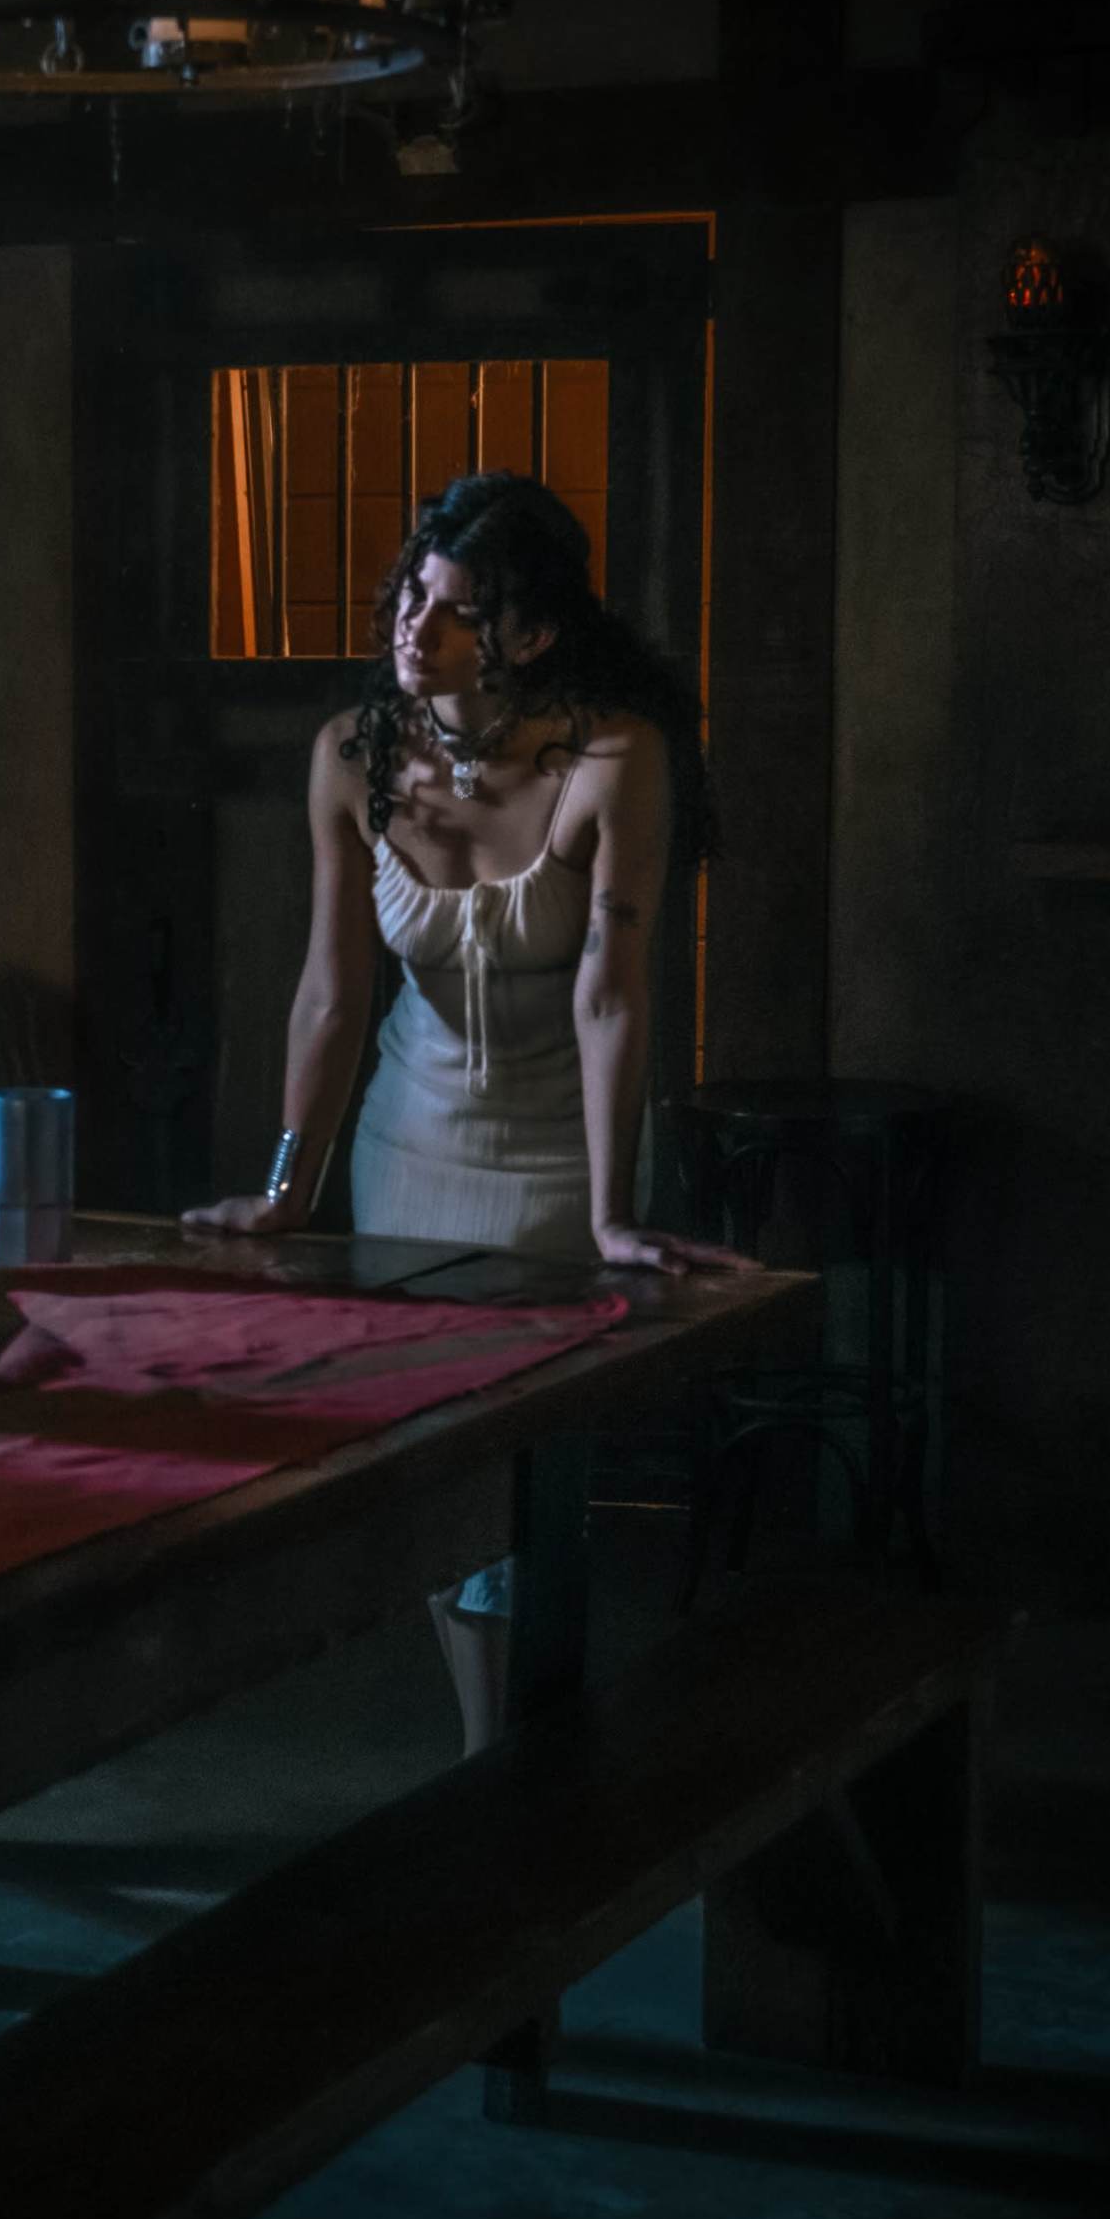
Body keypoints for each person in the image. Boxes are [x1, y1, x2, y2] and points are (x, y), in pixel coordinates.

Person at [184, 473, 750, 1752]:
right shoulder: (350, 755)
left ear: (533, 634)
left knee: (524, 1462)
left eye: (452, 611)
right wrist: (289, 1184)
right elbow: (331, 995)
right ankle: (493, 1755)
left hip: (562, 1151)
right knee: (438, 1458)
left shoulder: (619, 759)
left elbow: (613, 995)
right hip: (409, 1141)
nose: (411, 628)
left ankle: (525, 1758)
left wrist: (615, 1214)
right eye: (410, 594)